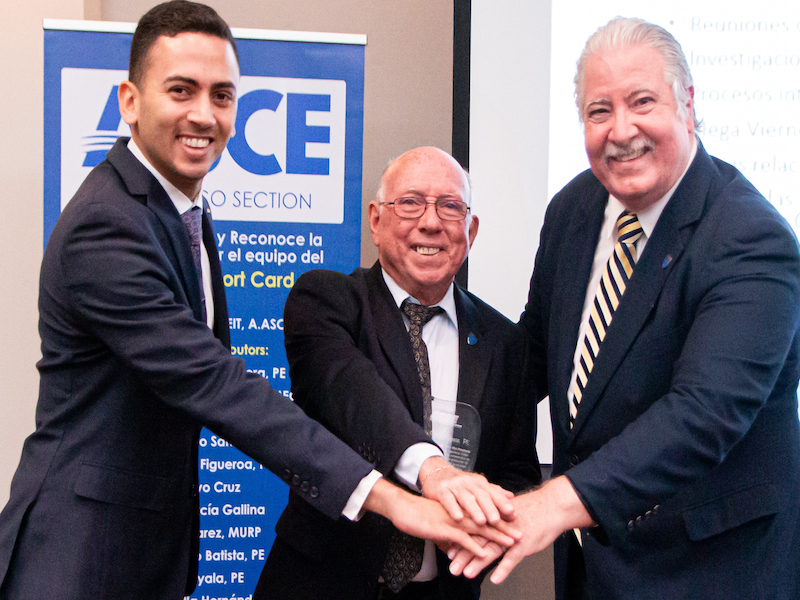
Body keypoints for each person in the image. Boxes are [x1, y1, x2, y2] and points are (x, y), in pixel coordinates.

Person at [0, 3, 516, 598]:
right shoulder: (108, 225)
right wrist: (399, 504)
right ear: (130, 101)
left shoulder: (180, 208)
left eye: (222, 95)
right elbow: (216, 384)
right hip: (82, 554)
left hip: (142, 545)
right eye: (180, 90)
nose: (204, 114)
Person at [450, 16, 800, 600]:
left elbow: (703, 414)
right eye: (598, 111)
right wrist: (429, 437)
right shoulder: (575, 208)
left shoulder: (750, 238)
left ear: (687, 103)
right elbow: (537, 356)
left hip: (709, 571)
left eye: (642, 102)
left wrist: (553, 504)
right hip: (595, 569)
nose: (621, 130)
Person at [254, 146, 541, 600]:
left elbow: (518, 469)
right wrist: (434, 472)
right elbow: (356, 398)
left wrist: (484, 522)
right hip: (321, 585)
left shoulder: (505, 345)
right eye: (410, 203)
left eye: (450, 206)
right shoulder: (327, 302)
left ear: (472, 229)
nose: (431, 222)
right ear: (375, 220)